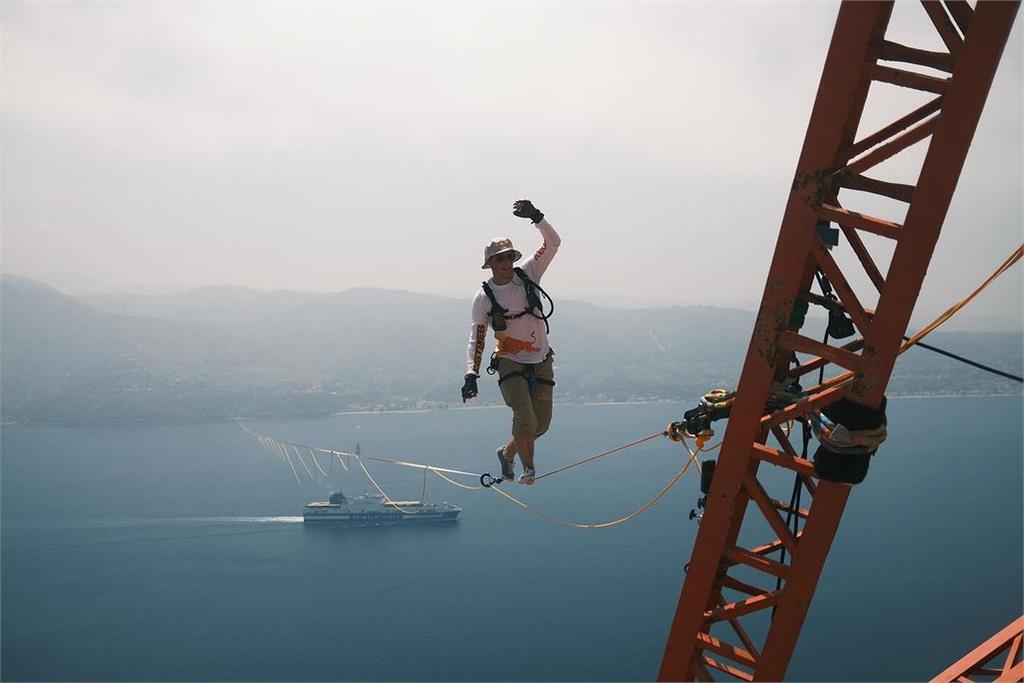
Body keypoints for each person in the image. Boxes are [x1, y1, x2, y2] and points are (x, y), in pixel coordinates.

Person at [461, 200, 561, 485]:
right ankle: (528, 469)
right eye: (499, 259)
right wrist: (471, 374)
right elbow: (477, 337)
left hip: (542, 359)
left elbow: (553, 243)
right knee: (525, 421)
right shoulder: (484, 298)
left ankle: (507, 454)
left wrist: (537, 217)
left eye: (508, 258)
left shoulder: (528, 274)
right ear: (489, 264)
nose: (505, 264)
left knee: (540, 426)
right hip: (510, 362)